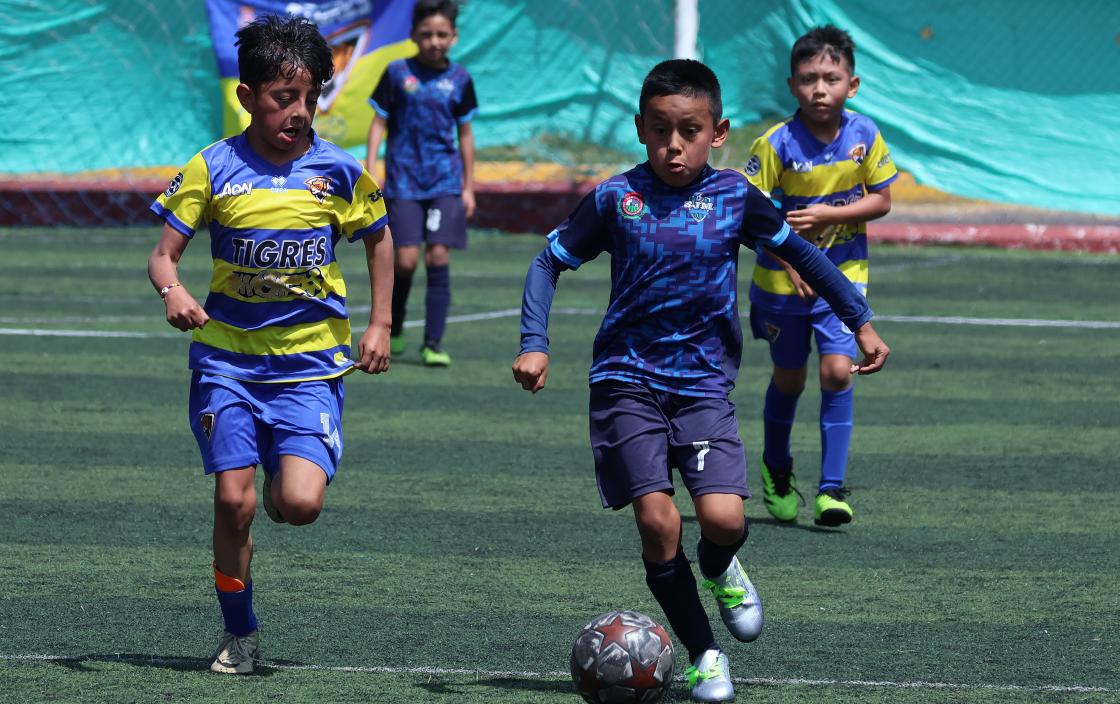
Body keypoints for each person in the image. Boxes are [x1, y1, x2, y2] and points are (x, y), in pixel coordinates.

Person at [511, 59, 889, 703]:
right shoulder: (614, 198)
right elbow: (547, 263)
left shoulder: (735, 198)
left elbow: (805, 256)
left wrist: (860, 321)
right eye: (660, 130)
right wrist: (534, 345)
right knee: (659, 525)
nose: (673, 145)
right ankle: (703, 654)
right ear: (639, 129)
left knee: (721, 520)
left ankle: (720, 567)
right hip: (624, 382)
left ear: (718, 133)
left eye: (689, 130)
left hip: (703, 386)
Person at [146, 15, 393, 675]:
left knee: (300, 505)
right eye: (284, 97)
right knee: (234, 500)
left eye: (310, 96)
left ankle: (287, 485)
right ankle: (240, 634)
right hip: (225, 363)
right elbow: (164, 256)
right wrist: (173, 292)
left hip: (310, 369)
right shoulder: (211, 167)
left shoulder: (339, 173)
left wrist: (380, 323)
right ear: (248, 96)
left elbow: (379, 234)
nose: (300, 111)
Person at [744, 25, 898, 528]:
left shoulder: (864, 135)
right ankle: (777, 468)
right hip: (781, 285)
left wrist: (829, 215)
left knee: (836, 371)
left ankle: (832, 489)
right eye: (809, 78)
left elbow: (882, 198)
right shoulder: (775, 144)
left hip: (843, 276)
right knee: (789, 378)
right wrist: (790, 258)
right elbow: (753, 215)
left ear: (851, 85)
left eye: (831, 78)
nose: (819, 88)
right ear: (792, 85)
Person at [366, 0, 477, 367]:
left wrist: (467, 186)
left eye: (442, 34)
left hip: (444, 182)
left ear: (454, 37)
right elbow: (379, 122)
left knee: (438, 255)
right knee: (407, 260)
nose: (434, 41)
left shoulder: (460, 79)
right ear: (413, 35)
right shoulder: (397, 73)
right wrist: (371, 170)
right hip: (403, 182)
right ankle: (394, 327)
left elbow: (465, 134)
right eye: (426, 34)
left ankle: (433, 342)